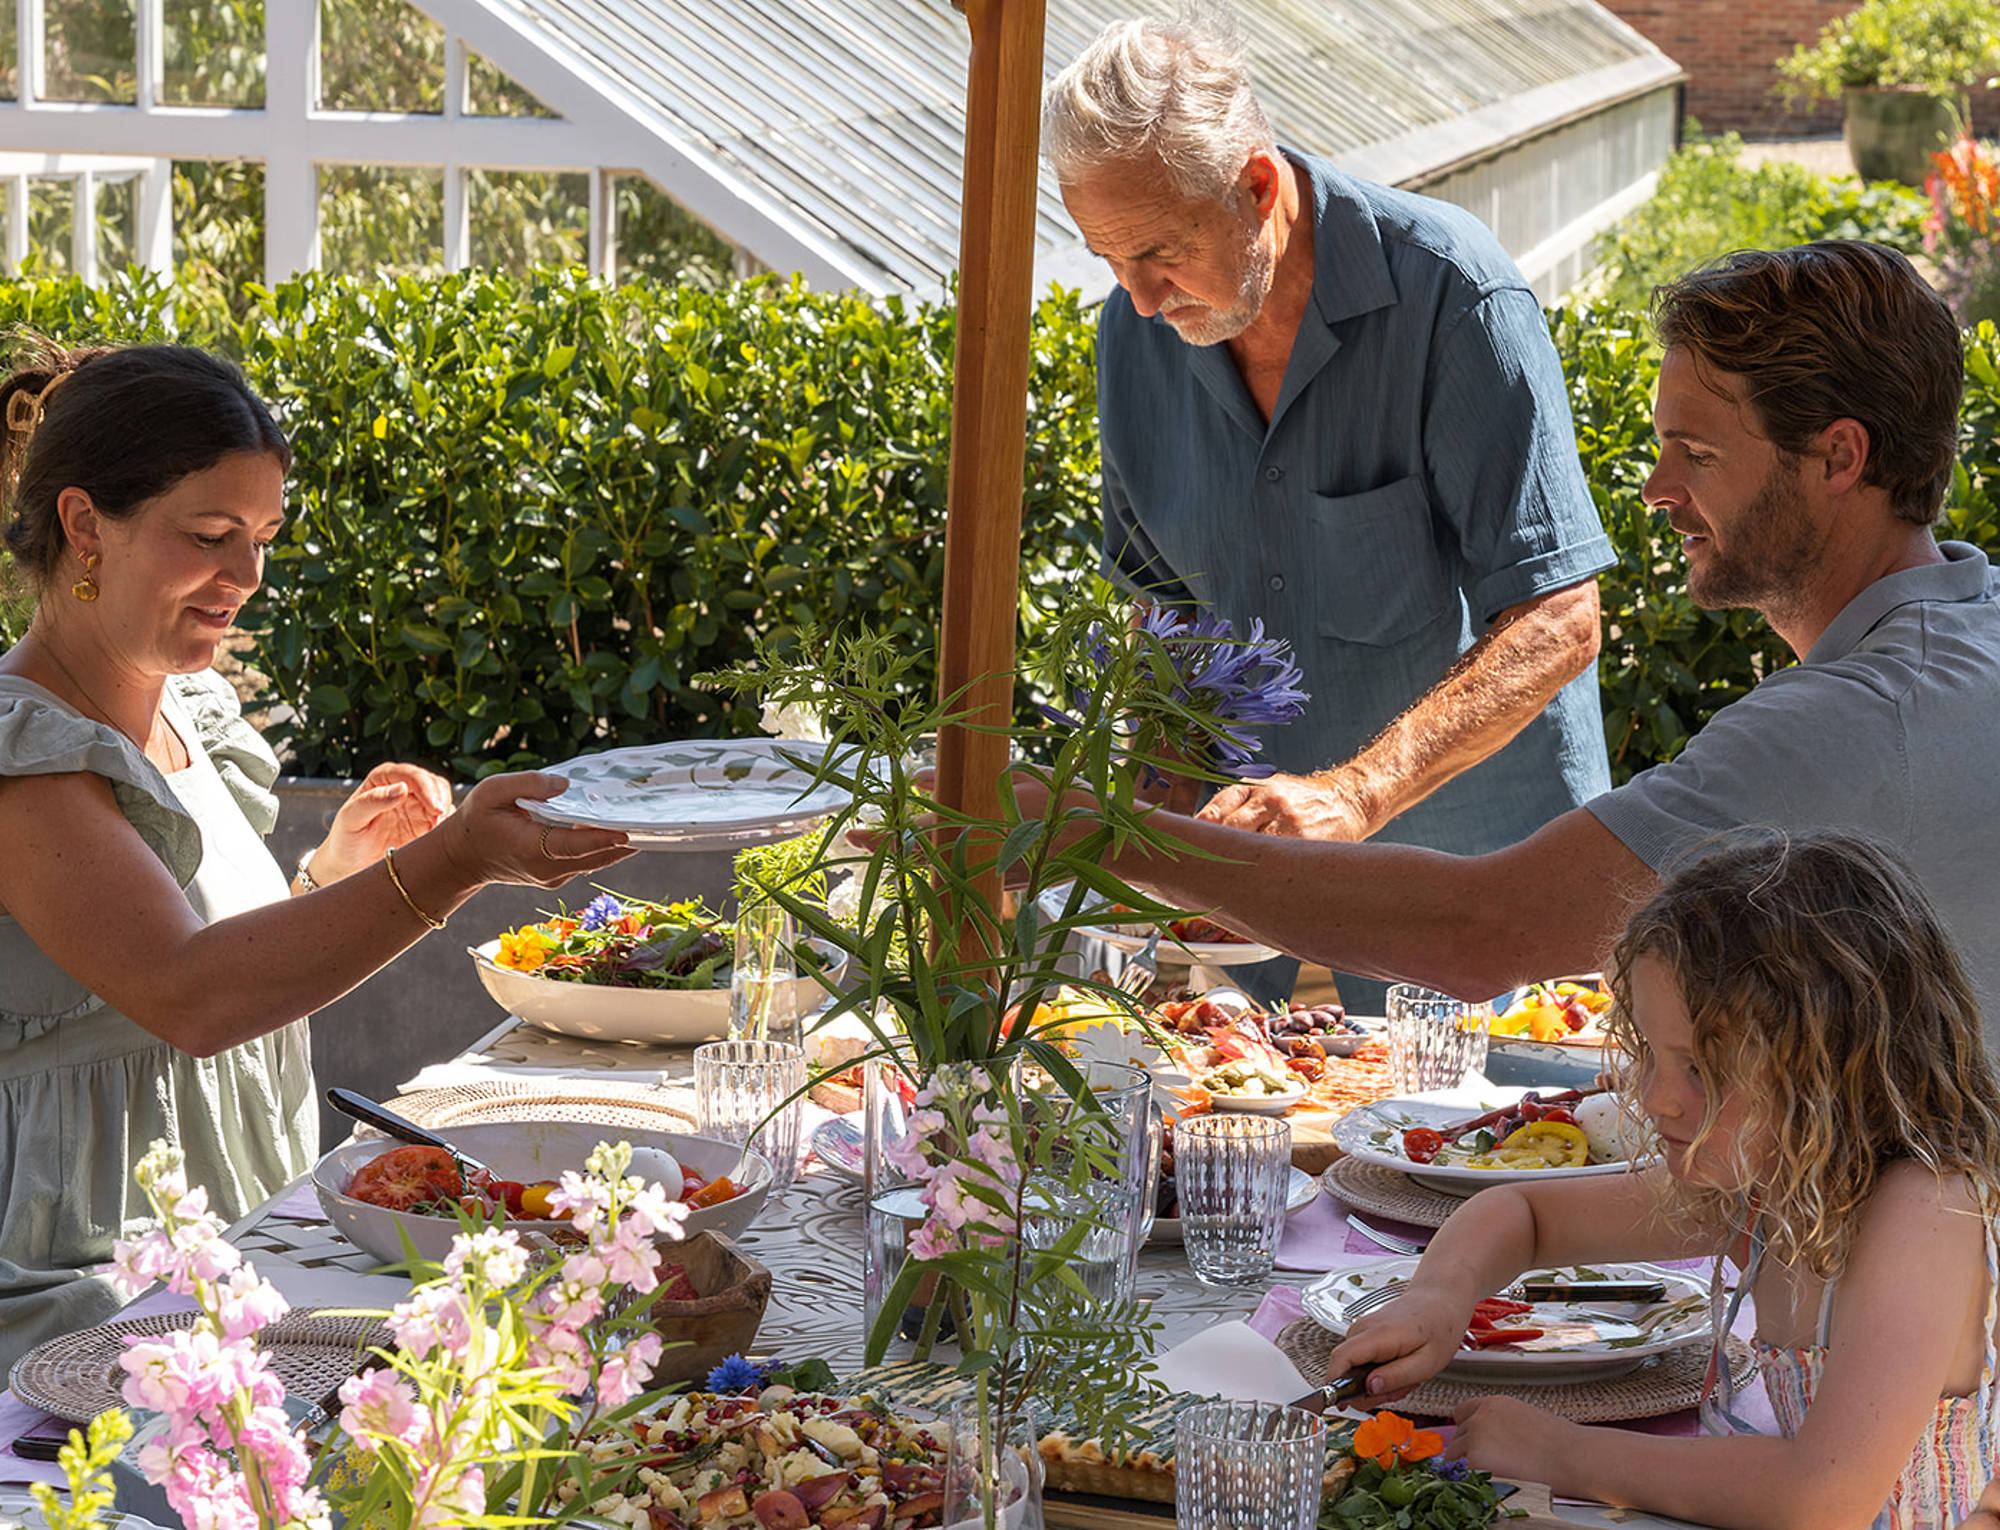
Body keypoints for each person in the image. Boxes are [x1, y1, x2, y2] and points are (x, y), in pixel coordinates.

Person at [1046, 238, 2000, 1032]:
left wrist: (1089, 833)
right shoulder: (1970, 631)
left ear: (1840, 455)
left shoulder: (1846, 723)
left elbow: (1476, 931)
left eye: (1699, 454)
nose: (1657, 491)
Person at [0, 343, 635, 1369]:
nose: (246, 577)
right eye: (211, 536)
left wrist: (329, 877)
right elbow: (189, 995)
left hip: (240, 1267)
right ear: (85, 528)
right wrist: (454, 861)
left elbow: (157, 960)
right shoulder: (21, 762)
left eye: (262, 536)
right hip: (83, 1304)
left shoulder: (189, 716)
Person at [1041, 12, 1616, 1007]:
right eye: (1105, 259)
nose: (1135, 298)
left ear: (1255, 187)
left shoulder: (1450, 293)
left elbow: (1560, 621)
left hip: (1485, 905)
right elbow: (1169, 615)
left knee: (1508, 1158)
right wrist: (1150, 827)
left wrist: (1353, 794)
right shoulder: (1131, 339)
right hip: (1253, 917)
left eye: (1157, 253)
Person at [1325, 831, 2000, 1529]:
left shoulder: (1924, 1209)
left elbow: (1821, 1498)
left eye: (1702, 1070)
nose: (1655, 1098)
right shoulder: (1768, 1188)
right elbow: (1523, 1213)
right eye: (1651, 1051)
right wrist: (1437, 1299)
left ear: (1834, 1070)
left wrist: (1559, 1450)